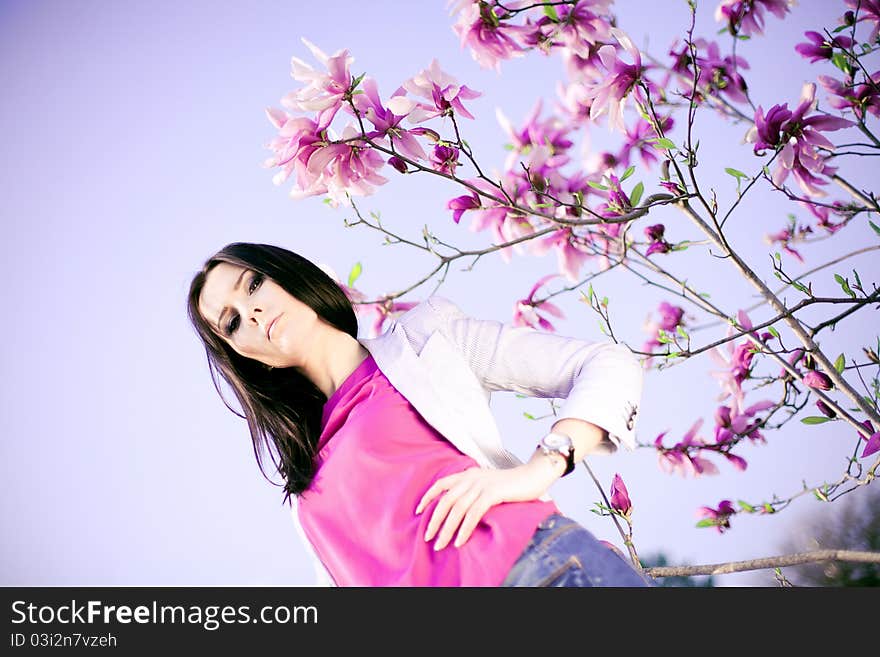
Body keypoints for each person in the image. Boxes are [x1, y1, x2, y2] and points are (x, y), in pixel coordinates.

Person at [187, 241, 654, 587]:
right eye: (230, 322)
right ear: (249, 358)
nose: (250, 310)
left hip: (539, 574)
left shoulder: (428, 340)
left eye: (252, 284)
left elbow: (607, 365)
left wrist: (539, 470)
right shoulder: (305, 495)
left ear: (290, 275)